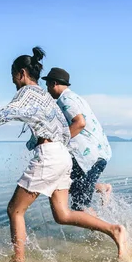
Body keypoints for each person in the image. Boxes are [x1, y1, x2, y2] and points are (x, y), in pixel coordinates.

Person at [0, 47, 127, 262]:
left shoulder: (27, 94)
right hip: (63, 155)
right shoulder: (47, 97)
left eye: (13, 76)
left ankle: (18, 261)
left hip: (50, 156)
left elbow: (1, 115)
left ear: (22, 73)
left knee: (14, 210)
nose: (13, 82)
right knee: (63, 215)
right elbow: (62, 130)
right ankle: (114, 229)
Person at [42, 67, 112, 211]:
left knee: (80, 206)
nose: (47, 89)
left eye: (48, 85)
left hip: (90, 158)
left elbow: (79, 123)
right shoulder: (75, 97)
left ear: (54, 83)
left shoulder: (65, 99)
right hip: (93, 154)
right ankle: (102, 188)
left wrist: (57, 143)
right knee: (67, 184)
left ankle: (111, 232)